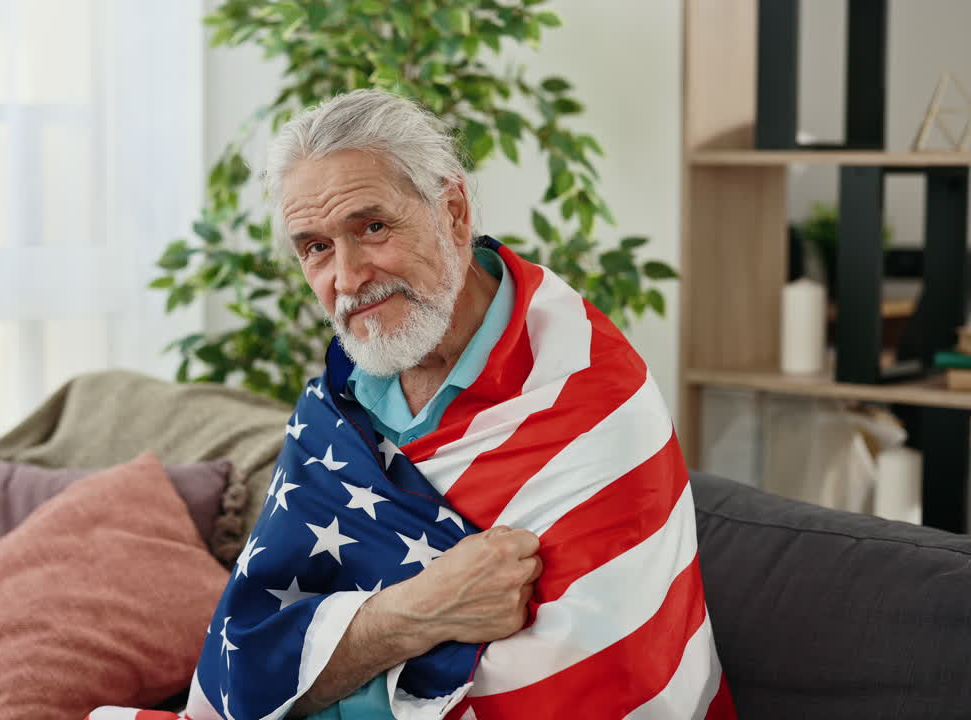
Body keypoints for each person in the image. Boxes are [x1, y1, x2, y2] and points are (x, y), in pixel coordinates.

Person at [92, 89, 735, 720]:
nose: (346, 278)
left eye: (371, 227)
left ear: (453, 212)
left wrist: (350, 662)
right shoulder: (338, 400)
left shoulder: (596, 403)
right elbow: (248, 657)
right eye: (315, 247)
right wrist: (413, 613)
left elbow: (586, 685)